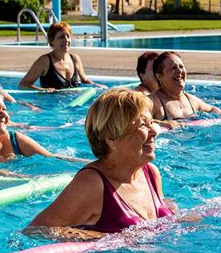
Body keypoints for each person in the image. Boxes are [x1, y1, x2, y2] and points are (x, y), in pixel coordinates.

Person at [27, 88, 177, 239]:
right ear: (111, 138)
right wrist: (103, 237)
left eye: (151, 122)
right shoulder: (92, 183)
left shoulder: (150, 172)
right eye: (143, 125)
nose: (154, 131)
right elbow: (37, 230)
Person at [151, 51, 221, 129]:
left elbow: (211, 109)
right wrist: (161, 123)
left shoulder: (191, 100)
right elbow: (140, 121)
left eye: (181, 66)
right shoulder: (153, 102)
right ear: (159, 76)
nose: (179, 71)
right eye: (173, 68)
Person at [19, 22, 107, 92]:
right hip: (52, 107)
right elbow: (23, 84)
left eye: (68, 36)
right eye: (61, 37)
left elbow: (85, 81)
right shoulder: (44, 61)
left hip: (75, 107)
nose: (66, 40)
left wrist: (96, 85)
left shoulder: (75, 59)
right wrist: (43, 90)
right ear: (52, 41)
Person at [0, 93, 84, 163]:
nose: (4, 114)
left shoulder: (15, 139)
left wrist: (91, 164)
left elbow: (53, 157)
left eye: (4, 109)